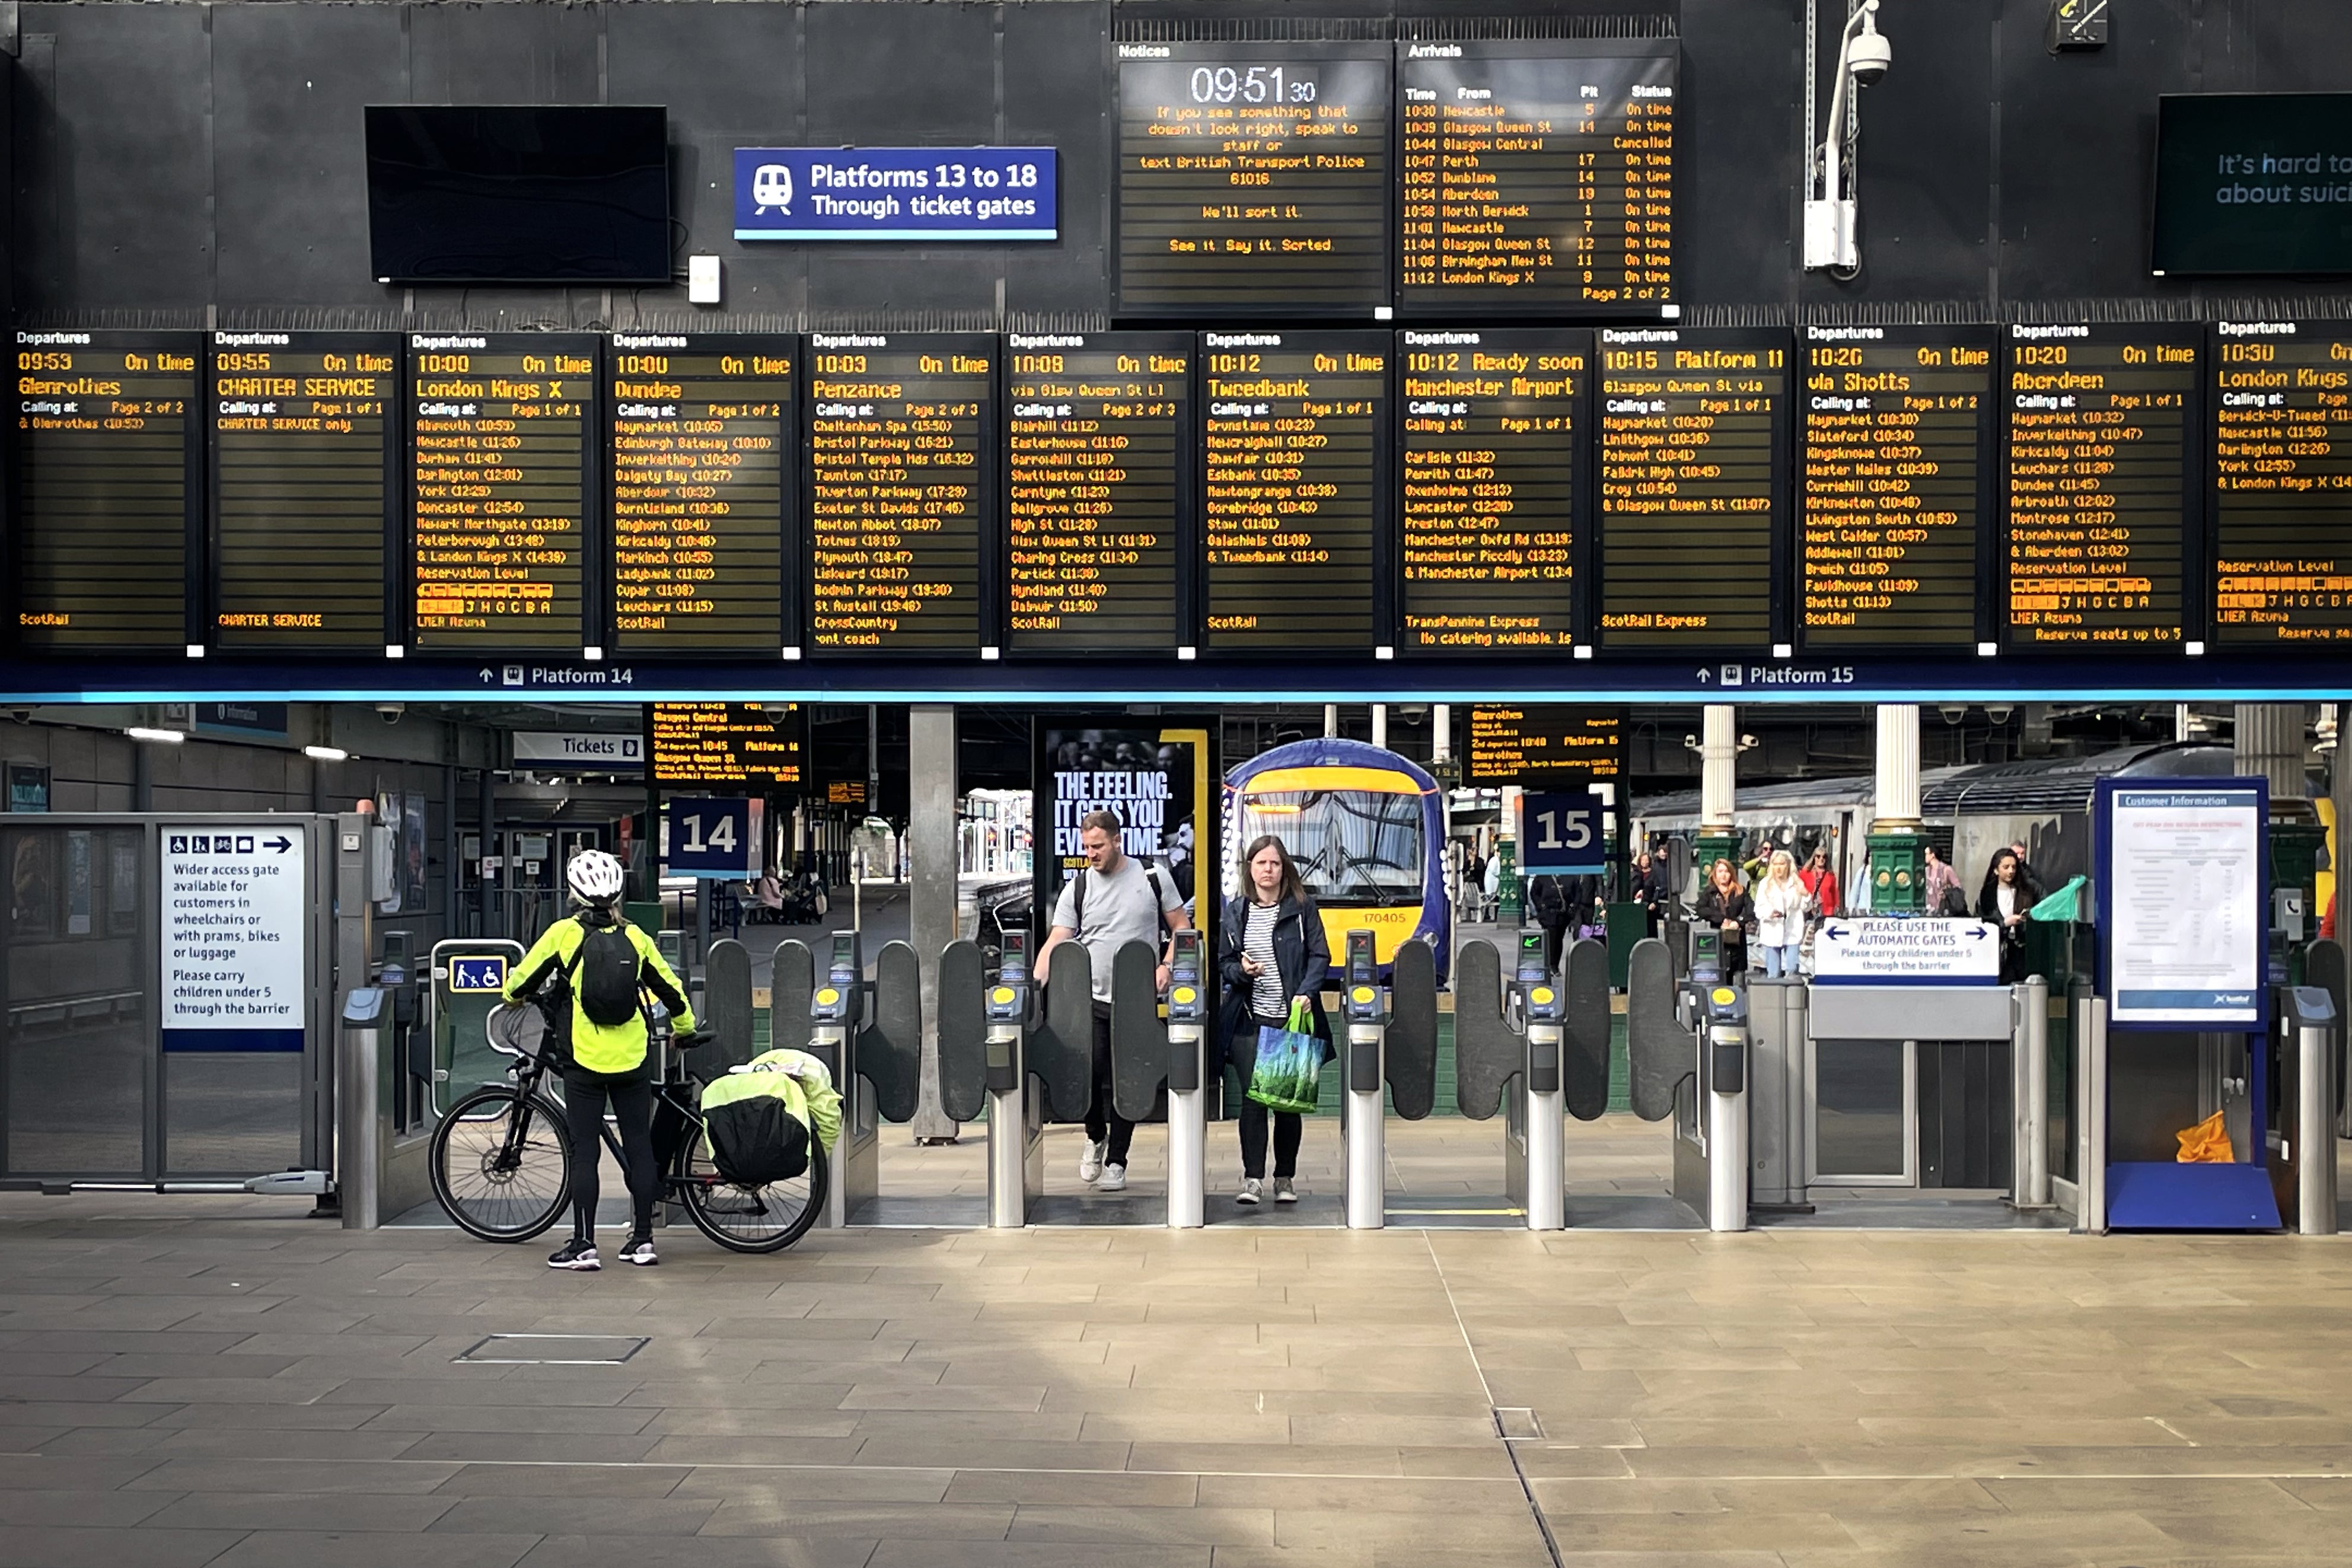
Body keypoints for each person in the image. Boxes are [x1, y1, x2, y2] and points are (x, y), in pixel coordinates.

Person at [502, 849, 697, 1271]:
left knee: (584, 1149)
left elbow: (519, 983)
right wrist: (684, 1028)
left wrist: (513, 996)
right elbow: (672, 991)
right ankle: (642, 1240)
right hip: (631, 1058)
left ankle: (584, 1243)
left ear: (574, 894)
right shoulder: (637, 939)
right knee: (639, 1145)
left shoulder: (562, 935)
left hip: (584, 1062)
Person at [1037, 810, 1184, 1193]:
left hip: (1136, 1000)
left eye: (1098, 846)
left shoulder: (1153, 878)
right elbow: (1058, 940)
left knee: (1128, 1080)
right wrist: (1031, 981)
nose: (1091, 854)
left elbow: (1182, 928)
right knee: (1089, 1072)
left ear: (1118, 841)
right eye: (1086, 847)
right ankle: (1095, 1135)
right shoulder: (1079, 887)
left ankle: (1117, 1160)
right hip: (1091, 998)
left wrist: (1167, 965)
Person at [1216, 834, 1331, 1205]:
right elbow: (1224, 963)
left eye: (1275, 863)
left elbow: (1320, 955)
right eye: (1261, 863)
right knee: (1253, 1102)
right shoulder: (1236, 911)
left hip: (1290, 1018)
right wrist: (1242, 970)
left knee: (1284, 1102)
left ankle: (1285, 1178)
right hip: (1250, 1019)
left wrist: (1307, 991)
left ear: (1285, 869)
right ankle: (1253, 1179)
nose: (1268, 870)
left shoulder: (1302, 907)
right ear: (1250, 868)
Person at [1977, 847, 2044, 983]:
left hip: (2023, 952)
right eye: (2006, 867)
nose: (2011, 871)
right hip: (1998, 952)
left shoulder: (2028, 889)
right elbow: (1982, 921)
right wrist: (2005, 923)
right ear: (1996, 870)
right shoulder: (1987, 894)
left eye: (2014, 867)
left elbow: (2044, 902)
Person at [1752, 849, 1808, 979]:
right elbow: (1758, 910)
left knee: (1792, 969)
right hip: (1772, 931)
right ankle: (1775, 996)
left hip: (1792, 931)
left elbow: (1806, 907)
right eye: (1775, 864)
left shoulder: (1796, 883)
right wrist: (1770, 914)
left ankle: (1792, 997)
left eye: (1782, 864)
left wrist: (1805, 894)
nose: (1779, 868)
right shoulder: (1765, 884)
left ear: (1788, 865)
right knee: (1773, 973)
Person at [1694, 858, 1754, 976]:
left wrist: (1738, 922)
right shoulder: (1710, 891)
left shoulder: (1740, 891)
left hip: (1736, 939)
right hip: (1717, 937)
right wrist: (1720, 919)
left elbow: (1751, 911)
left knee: (1735, 972)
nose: (1724, 875)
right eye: (1720, 871)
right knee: (1718, 971)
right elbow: (1700, 909)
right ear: (1715, 874)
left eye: (1726, 871)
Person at [1528, 872, 1570, 971]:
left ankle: (1555, 964)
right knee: (1551, 939)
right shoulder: (1542, 877)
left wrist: (1571, 907)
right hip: (1548, 915)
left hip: (1562, 915)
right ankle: (1551, 965)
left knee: (1559, 940)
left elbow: (1574, 891)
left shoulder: (1567, 877)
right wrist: (1540, 906)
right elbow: (1534, 893)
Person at [1798, 845, 1841, 922]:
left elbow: (1835, 893)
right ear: (1814, 858)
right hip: (1809, 910)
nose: (1821, 859)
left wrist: (1837, 907)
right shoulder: (1805, 874)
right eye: (1818, 856)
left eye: (1824, 857)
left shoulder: (1831, 875)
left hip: (1827, 912)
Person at [1922, 844, 1965, 916]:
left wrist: (1947, 893)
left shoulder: (1946, 869)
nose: (1925, 857)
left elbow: (1958, 888)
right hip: (1929, 909)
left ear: (1933, 855)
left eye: (1927, 854)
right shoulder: (1926, 870)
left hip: (1943, 909)